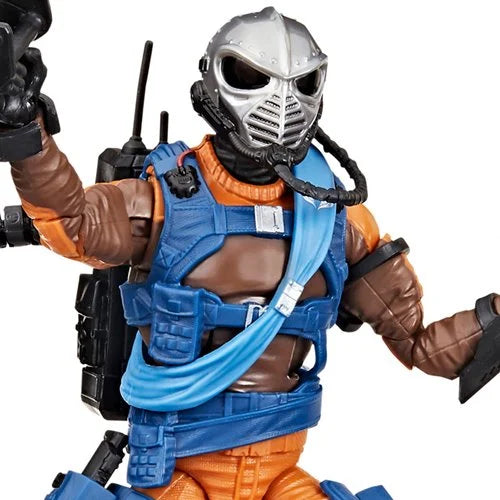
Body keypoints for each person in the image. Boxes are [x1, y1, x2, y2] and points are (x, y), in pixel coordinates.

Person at [1, 6, 498, 500]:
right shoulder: (163, 200)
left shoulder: (336, 219)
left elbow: (420, 345)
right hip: (178, 467)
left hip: (281, 467)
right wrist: (25, 131)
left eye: (299, 84)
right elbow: (71, 224)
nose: (280, 104)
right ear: (214, 81)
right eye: (252, 78)